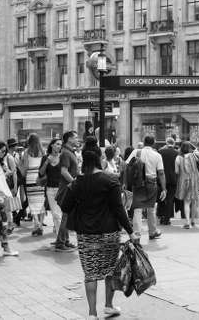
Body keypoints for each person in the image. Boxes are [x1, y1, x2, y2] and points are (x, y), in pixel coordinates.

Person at [61, 137, 139, 320]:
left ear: (83, 162)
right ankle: (109, 306)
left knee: (90, 273)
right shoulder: (110, 179)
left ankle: (91, 314)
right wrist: (130, 231)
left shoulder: (76, 183)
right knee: (110, 271)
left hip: (85, 235)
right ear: (98, 159)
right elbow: (119, 209)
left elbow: (65, 207)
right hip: (109, 233)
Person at [126, 135, 166, 240]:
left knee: (137, 209)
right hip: (151, 183)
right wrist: (164, 188)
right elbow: (161, 173)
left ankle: (137, 234)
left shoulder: (136, 152)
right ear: (153, 143)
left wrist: (127, 182)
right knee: (151, 208)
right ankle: (152, 232)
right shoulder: (157, 155)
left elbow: (127, 165)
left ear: (143, 142)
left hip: (138, 183)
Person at [55, 131, 79, 252]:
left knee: (67, 216)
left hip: (68, 189)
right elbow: (64, 171)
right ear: (69, 139)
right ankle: (60, 243)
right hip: (66, 190)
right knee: (66, 216)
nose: (77, 139)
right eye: (75, 137)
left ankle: (65, 240)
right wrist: (75, 183)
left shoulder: (69, 152)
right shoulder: (65, 153)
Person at [20, 134, 46, 236]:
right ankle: (40, 224)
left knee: (32, 201)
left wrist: (21, 169)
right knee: (41, 201)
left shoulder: (26, 152)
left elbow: (25, 167)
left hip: (30, 177)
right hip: (40, 177)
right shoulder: (43, 151)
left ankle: (36, 224)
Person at [175, 141, 199, 229]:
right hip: (195, 180)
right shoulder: (194, 156)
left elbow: (176, 171)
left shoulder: (178, 158)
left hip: (184, 180)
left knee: (186, 202)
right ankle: (193, 221)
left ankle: (187, 222)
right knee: (194, 200)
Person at [38, 138, 62, 235]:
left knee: (59, 214)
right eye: (57, 144)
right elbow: (41, 173)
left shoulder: (63, 157)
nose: (59, 146)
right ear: (52, 145)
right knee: (55, 214)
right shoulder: (45, 157)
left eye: (60, 144)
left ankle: (60, 236)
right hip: (50, 189)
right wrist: (47, 161)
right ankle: (60, 237)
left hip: (61, 189)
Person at [158, 138, 179, 225]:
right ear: (173, 144)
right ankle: (167, 218)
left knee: (162, 197)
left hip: (162, 178)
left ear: (166, 143)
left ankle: (161, 216)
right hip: (173, 179)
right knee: (170, 199)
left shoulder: (160, 152)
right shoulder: (177, 153)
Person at [4, 139, 22, 232]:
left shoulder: (13, 156)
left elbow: (15, 171)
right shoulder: (7, 156)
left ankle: (12, 220)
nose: (16, 147)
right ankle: (13, 218)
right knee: (9, 202)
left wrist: (15, 186)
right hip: (7, 182)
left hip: (12, 182)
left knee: (11, 200)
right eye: (15, 145)